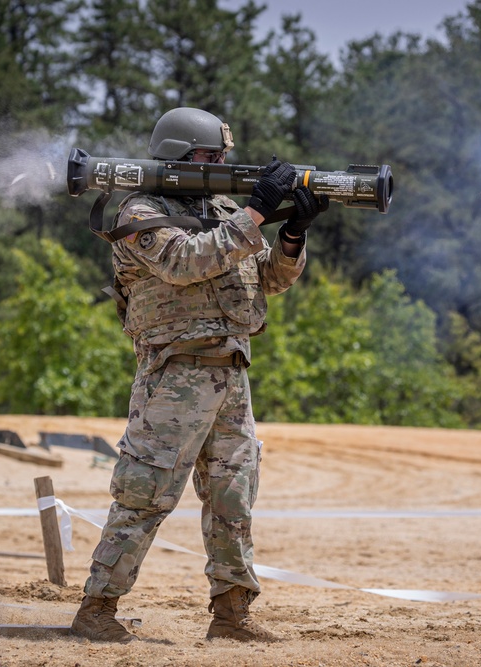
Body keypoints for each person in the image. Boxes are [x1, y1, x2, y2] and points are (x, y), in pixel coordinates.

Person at [70, 107, 327, 644]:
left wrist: (293, 235)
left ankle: (232, 617)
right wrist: (256, 214)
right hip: (175, 373)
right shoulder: (139, 212)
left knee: (234, 495)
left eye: (223, 157)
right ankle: (97, 608)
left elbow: (267, 282)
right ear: (180, 156)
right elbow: (187, 261)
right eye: (211, 156)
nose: (221, 165)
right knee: (146, 490)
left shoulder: (224, 209)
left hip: (231, 372)